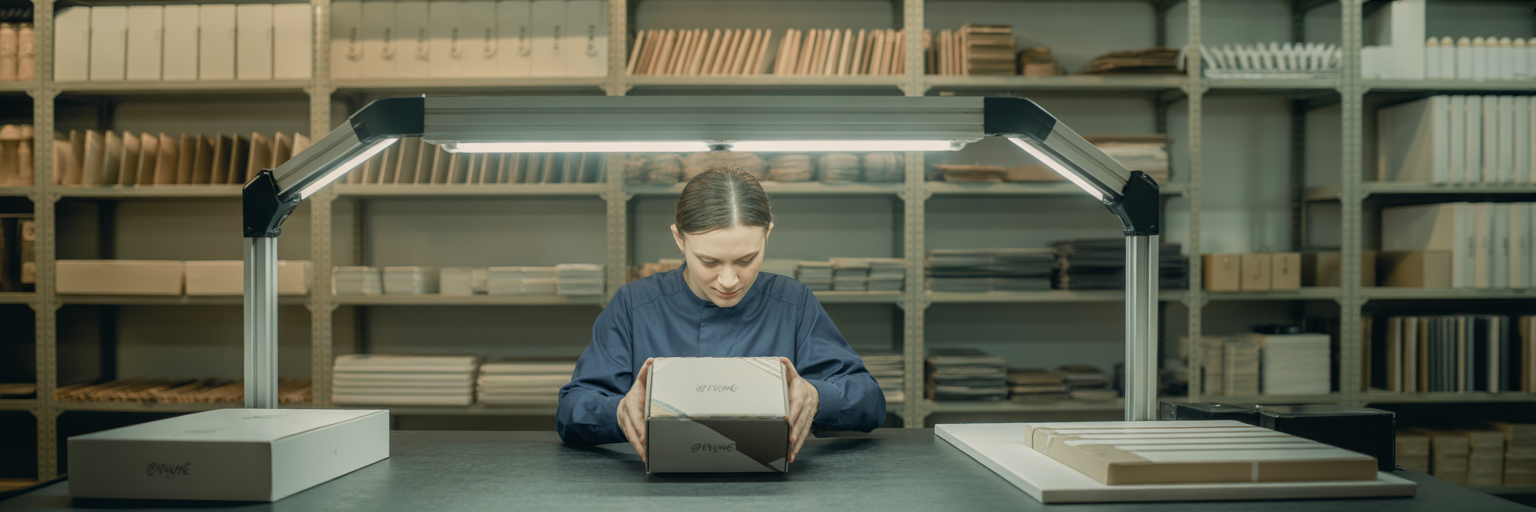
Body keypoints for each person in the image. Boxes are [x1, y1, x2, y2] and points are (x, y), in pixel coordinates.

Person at [556, 165, 886, 463]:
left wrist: (816, 396)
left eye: (746, 260)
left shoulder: (793, 301)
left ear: (768, 234)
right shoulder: (634, 303)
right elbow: (572, 411)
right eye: (709, 262)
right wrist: (618, 411)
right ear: (678, 239)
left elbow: (869, 401)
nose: (728, 281)